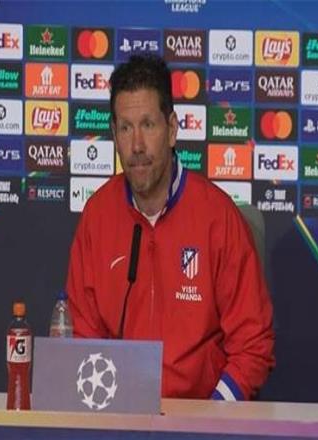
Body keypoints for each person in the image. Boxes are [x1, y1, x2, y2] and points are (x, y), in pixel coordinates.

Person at [66, 55, 274, 401]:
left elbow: (253, 345)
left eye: (148, 125)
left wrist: (211, 416)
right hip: (119, 413)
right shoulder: (97, 216)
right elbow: (82, 338)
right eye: (126, 128)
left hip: (202, 413)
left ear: (172, 129)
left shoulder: (218, 218)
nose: (137, 146)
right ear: (114, 135)